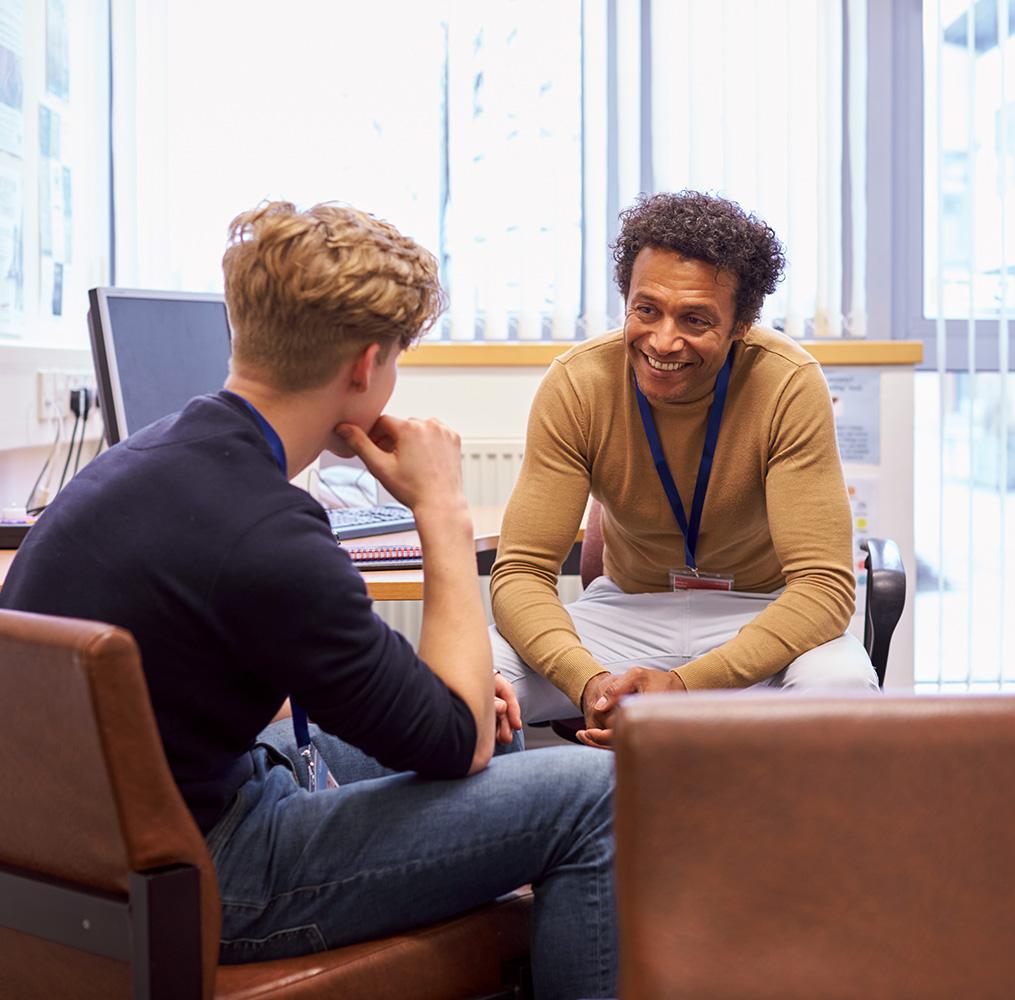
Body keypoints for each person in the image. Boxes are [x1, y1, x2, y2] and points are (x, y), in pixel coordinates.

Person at [0, 201, 616, 998]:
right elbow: (452, 741)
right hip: (208, 873)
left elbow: (434, 717)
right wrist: (443, 509)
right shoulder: (268, 534)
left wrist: (454, 713)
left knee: (496, 732)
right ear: (365, 367)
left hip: (95, 845)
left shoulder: (149, 455)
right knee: (593, 795)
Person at [490, 190, 879, 749]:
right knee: (471, 678)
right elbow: (521, 573)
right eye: (646, 309)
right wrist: (591, 685)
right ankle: (536, 829)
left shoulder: (788, 383)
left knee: (843, 692)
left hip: (760, 613)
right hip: (627, 613)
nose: (663, 340)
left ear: (741, 324)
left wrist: (686, 686)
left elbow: (823, 589)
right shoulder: (578, 383)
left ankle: (787, 840)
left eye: (695, 319)